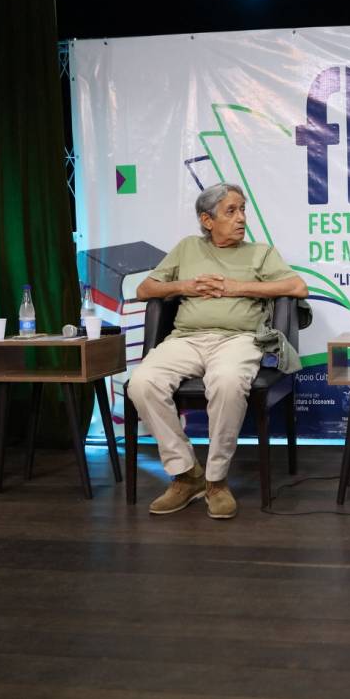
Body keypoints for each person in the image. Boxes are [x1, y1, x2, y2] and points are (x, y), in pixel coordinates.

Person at [128, 183, 307, 519]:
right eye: (231, 211)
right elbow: (144, 289)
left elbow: (297, 286)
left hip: (238, 340)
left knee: (226, 382)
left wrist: (236, 288)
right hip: (186, 339)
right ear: (207, 220)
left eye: (242, 210)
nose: (241, 218)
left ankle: (216, 480)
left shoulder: (260, 253)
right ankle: (186, 474)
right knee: (142, 382)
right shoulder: (188, 248)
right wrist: (186, 286)